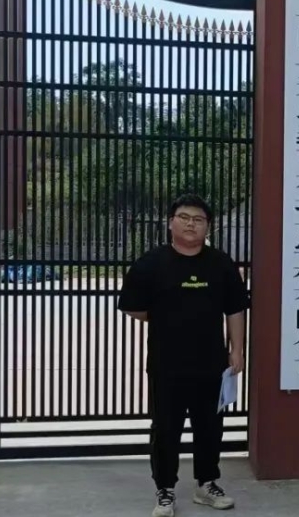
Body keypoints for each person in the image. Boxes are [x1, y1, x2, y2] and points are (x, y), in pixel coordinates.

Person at [118, 194, 249, 516]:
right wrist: (166, 316)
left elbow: (235, 309)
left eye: (199, 220)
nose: (191, 224)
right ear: (170, 222)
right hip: (166, 363)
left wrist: (237, 349)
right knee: (165, 428)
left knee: (210, 427)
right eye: (185, 217)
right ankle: (165, 489)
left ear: (208, 227)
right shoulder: (151, 263)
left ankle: (207, 484)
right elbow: (132, 306)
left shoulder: (221, 264)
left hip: (211, 363)